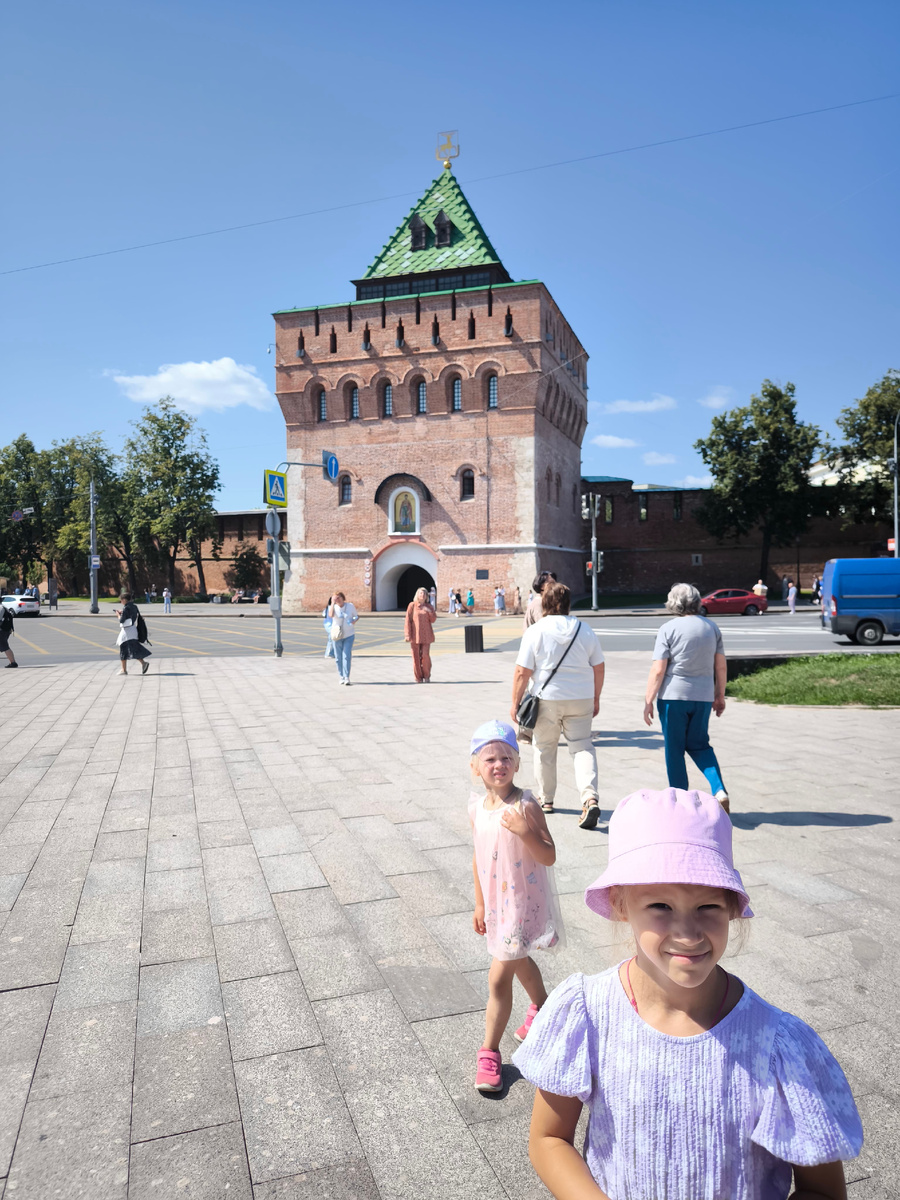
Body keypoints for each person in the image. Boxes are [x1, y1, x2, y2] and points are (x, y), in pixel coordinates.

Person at [514, 788, 862, 1200]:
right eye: (660, 905)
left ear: (732, 906)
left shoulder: (778, 1047)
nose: (688, 933)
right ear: (620, 902)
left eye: (708, 907)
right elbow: (549, 1139)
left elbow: (821, 1190)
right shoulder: (587, 1013)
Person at [469, 720, 562, 1093]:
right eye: (489, 758)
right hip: (496, 905)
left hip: (521, 902)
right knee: (519, 959)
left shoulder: (526, 805)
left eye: (506, 757)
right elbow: (477, 857)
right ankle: (543, 1007)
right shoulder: (477, 808)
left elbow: (549, 854)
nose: (498, 765)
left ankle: (489, 1051)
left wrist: (525, 831)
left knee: (498, 976)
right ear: (475, 765)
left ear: (518, 763)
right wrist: (479, 902)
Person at [511, 581, 604, 829]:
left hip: (546, 699)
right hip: (581, 697)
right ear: (569, 604)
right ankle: (589, 796)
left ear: (545, 604)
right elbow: (599, 666)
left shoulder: (536, 631)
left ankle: (547, 799)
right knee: (582, 747)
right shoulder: (585, 630)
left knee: (544, 748)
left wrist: (515, 702)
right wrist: (596, 697)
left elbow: (522, 671)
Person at [644, 583, 729, 811]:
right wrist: (719, 695)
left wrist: (648, 700)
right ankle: (719, 789)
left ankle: (681, 804)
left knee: (674, 749)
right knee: (701, 745)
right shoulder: (711, 628)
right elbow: (720, 666)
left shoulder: (667, 628)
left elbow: (659, 669)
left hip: (673, 697)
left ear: (673, 603)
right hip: (702, 696)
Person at [114, 591, 151, 676]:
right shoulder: (134, 606)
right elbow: (131, 616)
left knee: (123, 648)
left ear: (124, 600)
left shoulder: (126, 608)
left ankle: (124, 670)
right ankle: (143, 663)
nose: (121, 602)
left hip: (126, 631)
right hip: (133, 629)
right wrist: (122, 612)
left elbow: (121, 620)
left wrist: (118, 615)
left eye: (121, 600)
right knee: (133, 648)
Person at [404, 586, 436, 682]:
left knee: (425, 656)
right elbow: (408, 620)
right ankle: (418, 677)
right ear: (417, 595)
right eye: (420, 593)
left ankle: (426, 675)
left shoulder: (429, 606)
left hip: (426, 634)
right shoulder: (412, 605)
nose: (422, 595)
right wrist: (407, 634)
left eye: (424, 594)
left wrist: (430, 612)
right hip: (415, 635)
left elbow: (433, 620)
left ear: (426, 596)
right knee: (416, 657)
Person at [327, 591, 359, 684]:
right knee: (338, 657)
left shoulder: (350, 606)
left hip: (349, 634)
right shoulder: (333, 607)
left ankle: (346, 677)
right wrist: (332, 603)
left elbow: (356, 616)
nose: (337, 600)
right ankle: (341, 676)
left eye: (339, 597)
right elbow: (331, 615)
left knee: (346, 656)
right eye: (335, 598)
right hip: (337, 635)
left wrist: (354, 621)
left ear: (343, 597)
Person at [0, 602, 18, 668]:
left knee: (5, 646)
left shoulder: (1, 608)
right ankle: (12, 662)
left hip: (2, 630)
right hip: (5, 630)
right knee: (4, 645)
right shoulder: (3, 607)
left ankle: (13, 662)